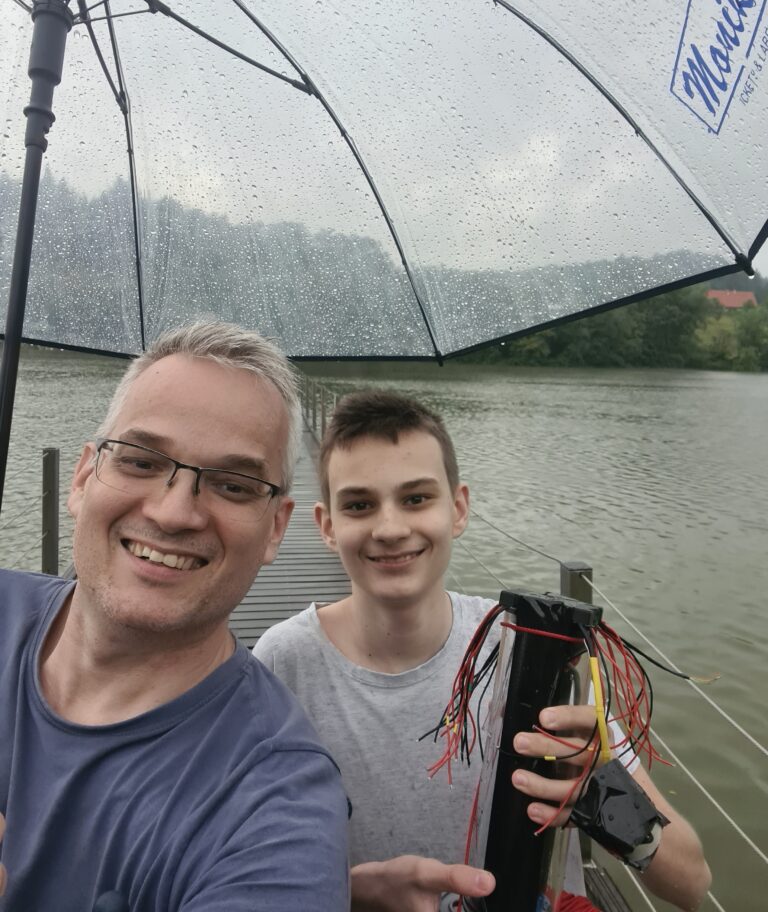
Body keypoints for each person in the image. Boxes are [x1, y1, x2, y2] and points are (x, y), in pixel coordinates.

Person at [254, 390, 712, 912]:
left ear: (458, 509)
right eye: (360, 505)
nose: (390, 528)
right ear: (327, 526)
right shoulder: (283, 662)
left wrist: (600, 796)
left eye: (416, 498)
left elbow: (691, 881)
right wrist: (355, 892)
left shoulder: (532, 650)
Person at [0, 322, 349, 911]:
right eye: (140, 461)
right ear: (83, 478)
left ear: (276, 528)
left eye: (233, 486)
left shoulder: (276, 805)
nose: (173, 513)